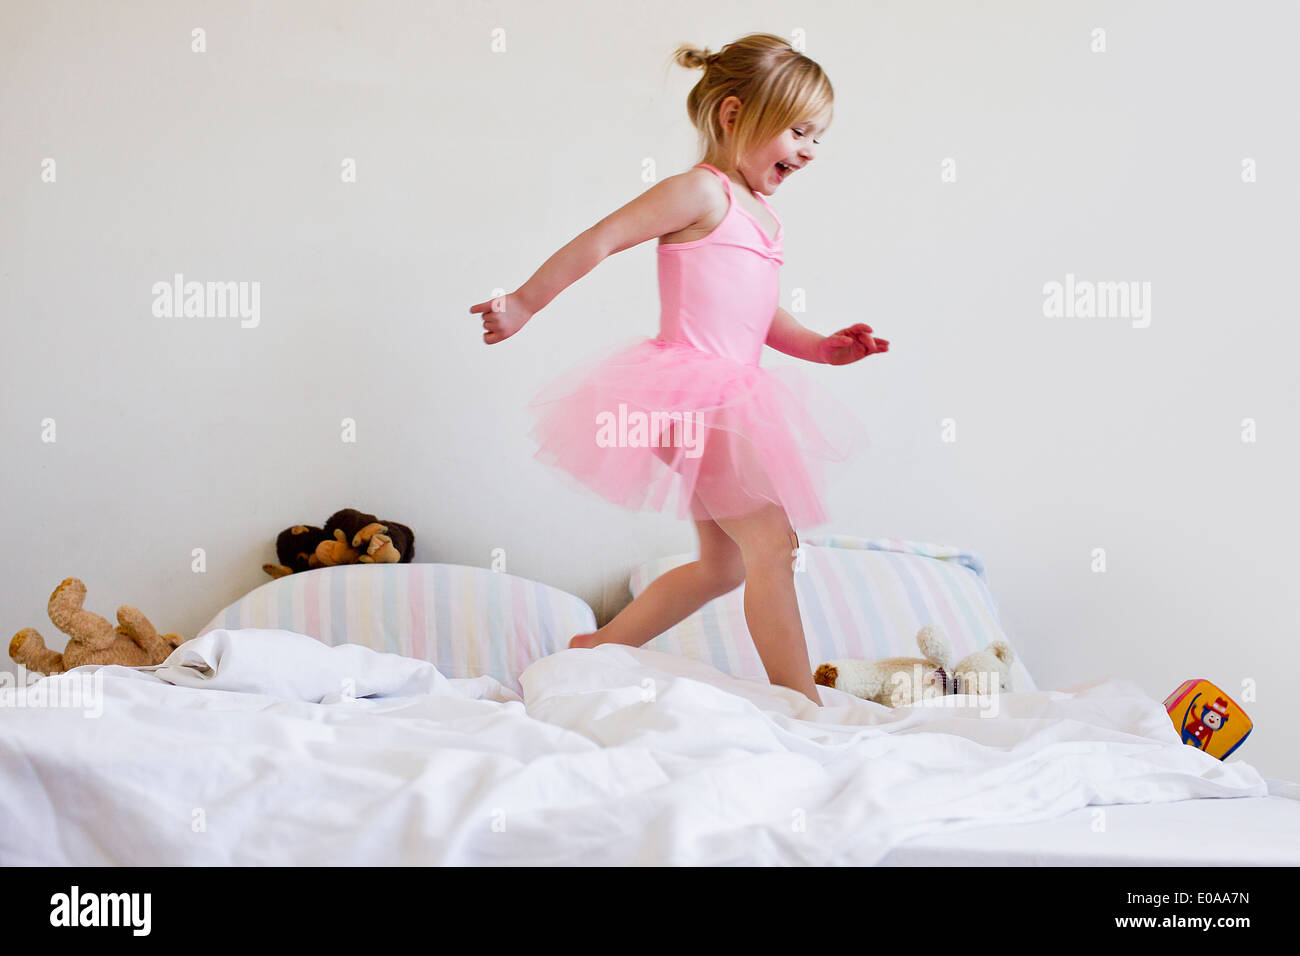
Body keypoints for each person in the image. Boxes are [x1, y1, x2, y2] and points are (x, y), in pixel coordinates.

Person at [469, 33, 889, 704]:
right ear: (732, 115)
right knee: (772, 545)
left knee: (725, 565)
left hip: (725, 394)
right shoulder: (699, 191)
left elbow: (758, 317)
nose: (809, 149)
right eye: (797, 130)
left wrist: (822, 346)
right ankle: (802, 700)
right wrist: (522, 302)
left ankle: (594, 650)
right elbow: (601, 239)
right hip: (690, 395)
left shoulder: (765, 219)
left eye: (818, 136)